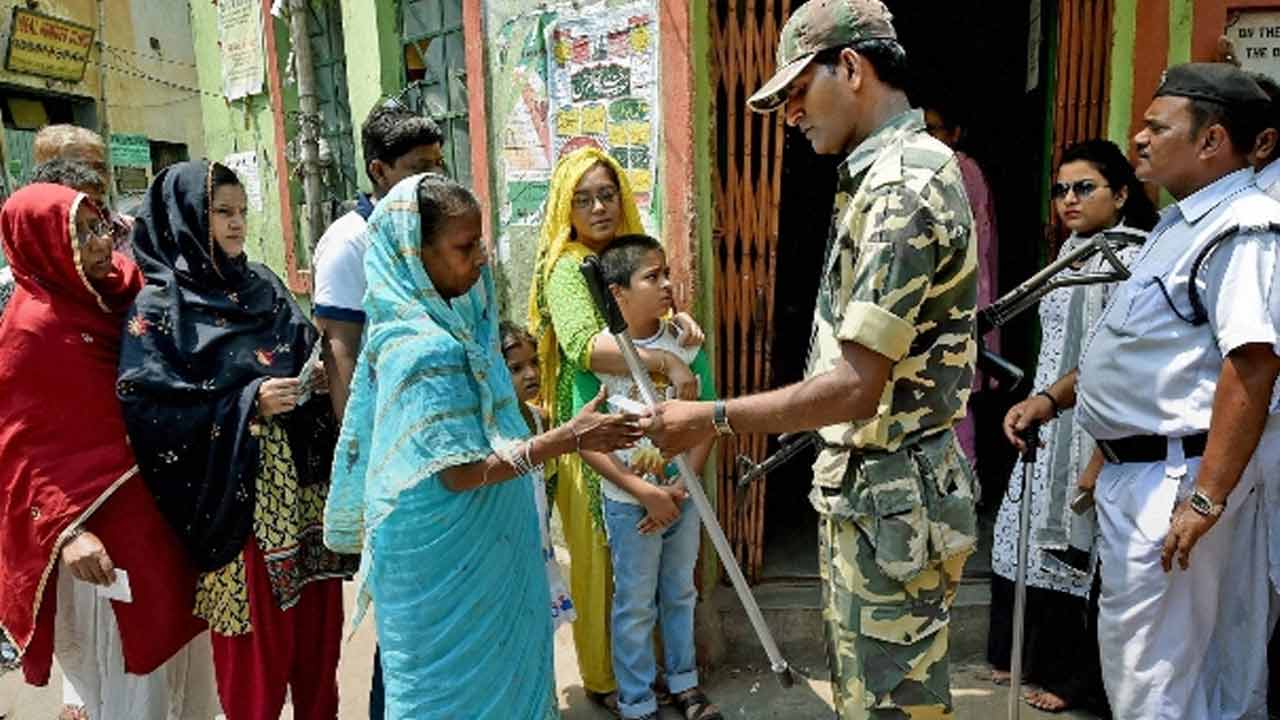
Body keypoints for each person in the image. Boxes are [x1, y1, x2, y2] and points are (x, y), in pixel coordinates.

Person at [644, 1, 979, 717]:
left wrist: (709, 417)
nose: (791, 115)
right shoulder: (880, 176)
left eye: (798, 91)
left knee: (891, 706)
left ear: (851, 67)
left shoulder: (901, 188)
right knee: (871, 696)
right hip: (878, 497)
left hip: (893, 496)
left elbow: (856, 387)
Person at [1005, 63, 1280, 719]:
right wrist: (1054, 400)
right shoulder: (1182, 224)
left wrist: (1205, 497)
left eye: (1158, 126)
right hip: (1149, 473)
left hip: (1176, 481)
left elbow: (1252, 365)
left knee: (1153, 680)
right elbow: (1143, 351)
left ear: (1212, 140)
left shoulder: (1243, 227)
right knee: (1165, 674)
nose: (1139, 138)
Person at [323, 173, 643, 719]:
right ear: (414, 253)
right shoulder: (424, 350)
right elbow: (461, 474)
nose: (479, 261)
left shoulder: (435, 331)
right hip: (445, 564)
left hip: (468, 556)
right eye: (463, 248)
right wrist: (568, 437)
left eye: (480, 245)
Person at [117, 160, 355, 720]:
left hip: (304, 494)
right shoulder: (161, 307)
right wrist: (248, 403)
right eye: (221, 212)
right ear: (185, 219)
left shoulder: (263, 283)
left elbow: (301, 346)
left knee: (318, 648)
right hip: (237, 504)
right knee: (254, 665)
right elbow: (147, 403)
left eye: (242, 211)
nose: (236, 224)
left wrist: (316, 380)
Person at [0, 183, 216, 719]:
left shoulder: (121, 293)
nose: (100, 243)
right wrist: (67, 533)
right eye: (79, 234)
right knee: (130, 690)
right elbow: (16, 448)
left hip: (165, 521)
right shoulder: (32, 329)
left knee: (189, 676)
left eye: (99, 226)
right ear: (42, 243)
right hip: (102, 542)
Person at [527, 146, 705, 713]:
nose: (598, 207)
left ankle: (661, 676)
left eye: (607, 194)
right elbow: (586, 346)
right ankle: (609, 683)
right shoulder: (567, 265)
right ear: (565, 207)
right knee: (602, 563)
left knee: (656, 580)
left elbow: (647, 321)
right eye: (583, 199)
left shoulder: (626, 256)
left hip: (651, 438)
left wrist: (675, 325)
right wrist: (666, 361)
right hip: (592, 421)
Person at [986, 139, 1157, 714]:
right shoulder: (1074, 251)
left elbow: (1117, 359)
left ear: (1122, 194)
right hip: (1052, 415)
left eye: (1084, 188)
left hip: (1098, 424)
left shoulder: (1128, 260)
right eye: (1061, 190)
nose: (1068, 200)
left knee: (1085, 549)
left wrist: (1098, 449)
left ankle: (1077, 680)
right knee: (1031, 531)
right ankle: (1030, 659)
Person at [312, 100, 445, 720]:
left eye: (439, 166)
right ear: (379, 170)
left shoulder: (432, 227)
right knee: (402, 623)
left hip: (439, 447)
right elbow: (342, 356)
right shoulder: (350, 242)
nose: (432, 181)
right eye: (419, 169)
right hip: (393, 456)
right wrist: (368, 471)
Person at [581, 235, 721, 720]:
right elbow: (585, 438)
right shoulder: (600, 355)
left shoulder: (685, 344)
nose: (666, 285)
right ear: (617, 292)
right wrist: (644, 491)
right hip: (629, 503)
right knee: (635, 602)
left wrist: (681, 487)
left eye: (666, 274)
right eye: (652, 277)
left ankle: (684, 683)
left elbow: (708, 420)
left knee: (681, 590)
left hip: (684, 495)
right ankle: (637, 700)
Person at [924, 102, 1001, 489]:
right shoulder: (949, 169)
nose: (926, 138)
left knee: (952, 402)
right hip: (955, 300)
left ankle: (961, 487)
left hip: (955, 301)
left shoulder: (958, 169)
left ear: (955, 134)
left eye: (934, 129)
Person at [500, 321, 577, 628]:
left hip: (539, 541)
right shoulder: (492, 429)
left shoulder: (540, 419)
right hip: (507, 544)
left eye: (534, 363)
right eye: (516, 368)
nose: (531, 374)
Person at [32, 124, 131, 257]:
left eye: (100, 168)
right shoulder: (35, 246)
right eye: (81, 168)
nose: (97, 178)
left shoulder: (134, 230)